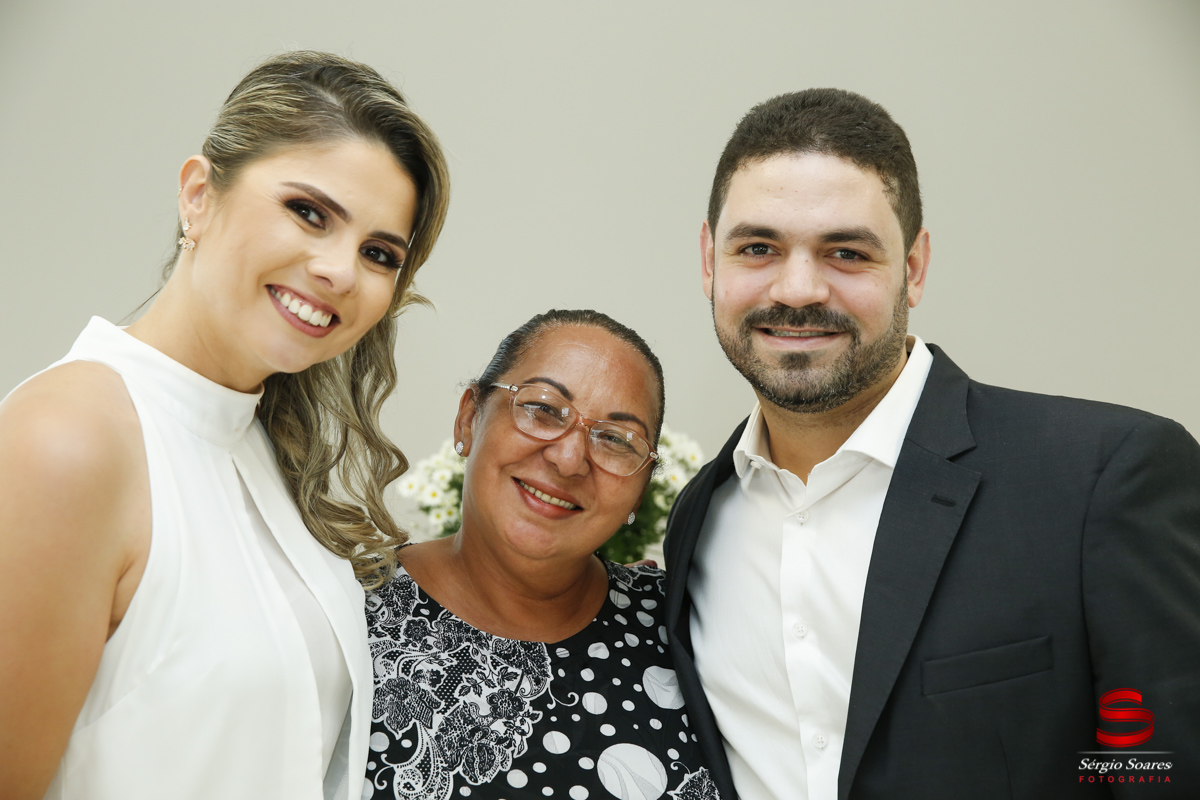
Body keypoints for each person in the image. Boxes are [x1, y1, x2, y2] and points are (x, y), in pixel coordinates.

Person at [663, 88, 1200, 799]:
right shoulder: (697, 520)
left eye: (846, 252)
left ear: (913, 267)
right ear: (709, 260)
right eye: (758, 248)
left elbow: (1168, 770)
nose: (796, 289)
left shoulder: (1104, 476)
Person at [0, 51, 449, 800]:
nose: (340, 270)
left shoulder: (264, 446)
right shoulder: (70, 442)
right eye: (308, 212)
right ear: (198, 196)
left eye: (378, 254)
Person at [364, 309, 722, 800]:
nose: (569, 458)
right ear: (469, 417)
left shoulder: (685, 626)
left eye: (617, 440)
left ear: (639, 491)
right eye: (544, 409)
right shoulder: (341, 616)